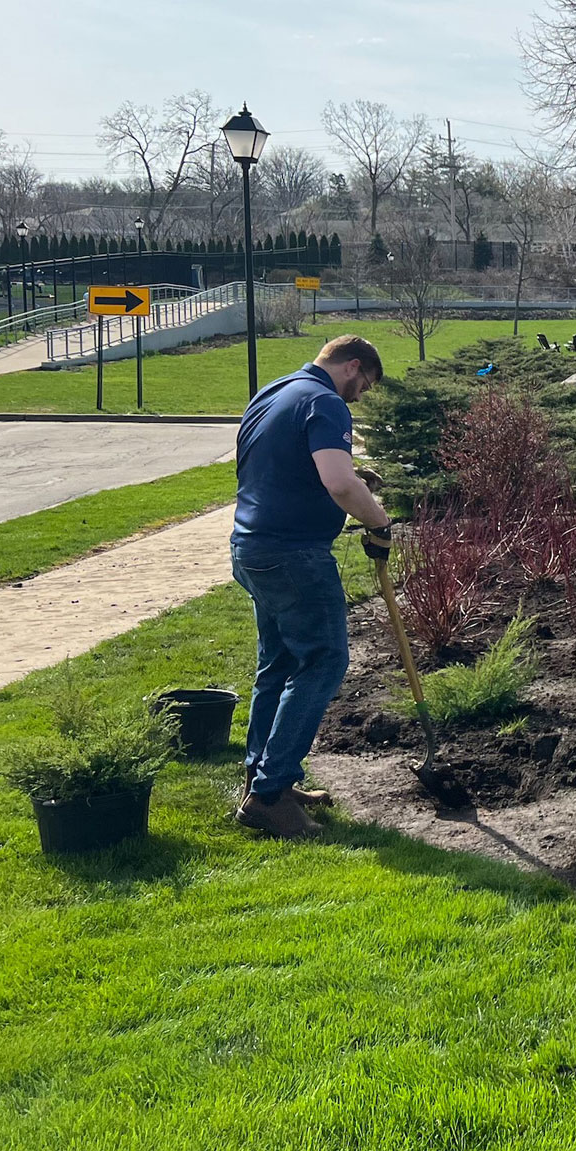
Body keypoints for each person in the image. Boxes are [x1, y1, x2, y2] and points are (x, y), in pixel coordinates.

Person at [231, 334, 391, 840]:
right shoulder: (325, 402)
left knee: (277, 663)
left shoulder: (275, 392)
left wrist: (353, 478)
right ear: (352, 366)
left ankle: (263, 774)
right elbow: (338, 483)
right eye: (364, 384)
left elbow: (283, 466)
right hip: (294, 555)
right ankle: (270, 794)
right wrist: (378, 521)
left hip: (252, 547)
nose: (360, 395)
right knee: (324, 660)